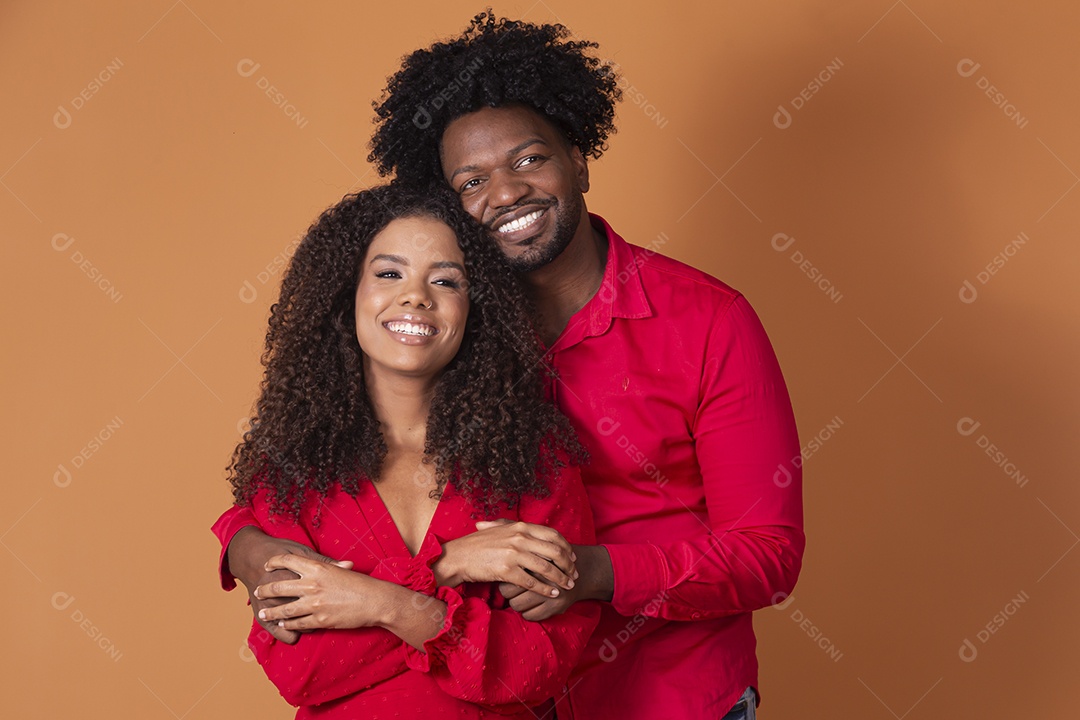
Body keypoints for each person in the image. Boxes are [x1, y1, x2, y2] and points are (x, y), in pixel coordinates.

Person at [218, 12, 804, 719]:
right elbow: (341, 472)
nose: (504, 193)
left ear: (579, 159)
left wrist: (589, 572)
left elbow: (768, 553)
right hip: (492, 694)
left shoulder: (709, 320)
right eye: (471, 181)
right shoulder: (439, 328)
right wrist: (242, 544)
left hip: (668, 692)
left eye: (529, 160)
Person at [215, 183, 599, 718]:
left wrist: (368, 603)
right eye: (389, 273)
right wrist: (447, 569)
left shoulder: (533, 458)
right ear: (346, 292)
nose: (417, 296)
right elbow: (303, 670)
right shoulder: (294, 465)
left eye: (446, 280)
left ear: (475, 310)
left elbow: (535, 669)